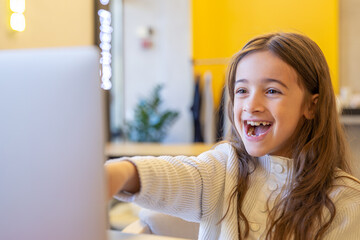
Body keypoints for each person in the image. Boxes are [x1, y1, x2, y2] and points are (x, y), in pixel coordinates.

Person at [105, 32, 360, 240]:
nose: (251, 105)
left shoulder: (347, 202)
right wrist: (122, 172)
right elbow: (179, 175)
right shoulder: (224, 168)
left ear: (311, 106)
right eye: (241, 90)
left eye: (271, 90)